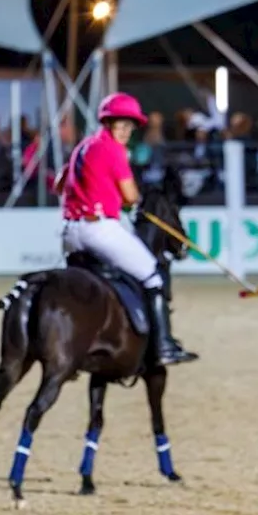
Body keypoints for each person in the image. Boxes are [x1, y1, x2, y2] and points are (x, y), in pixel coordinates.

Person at [58, 92, 197, 366]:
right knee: (153, 275)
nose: (125, 131)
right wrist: (121, 199)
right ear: (108, 124)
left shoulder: (82, 147)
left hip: (69, 233)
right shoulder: (113, 150)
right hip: (98, 230)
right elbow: (132, 197)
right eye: (121, 125)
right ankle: (164, 346)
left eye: (129, 126)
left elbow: (59, 185)